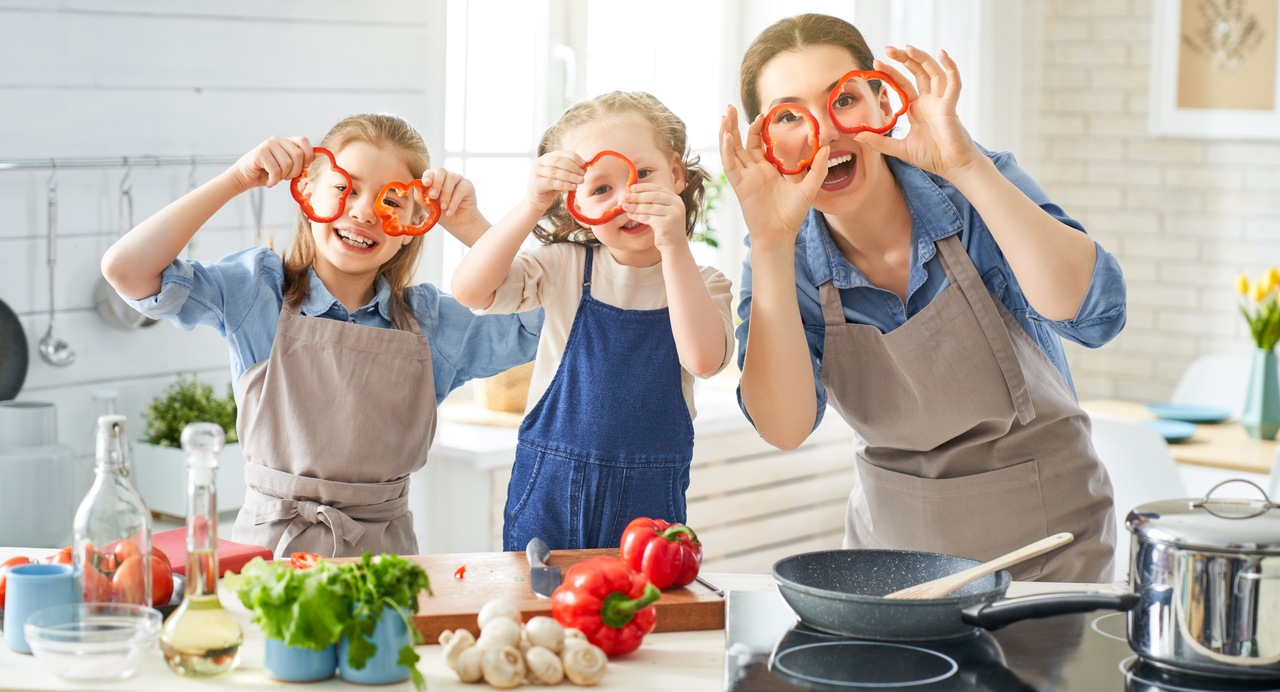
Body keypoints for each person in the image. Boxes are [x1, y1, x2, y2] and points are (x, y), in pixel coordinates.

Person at [720, 14, 1126, 582]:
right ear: (765, 146)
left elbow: (1095, 314)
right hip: (889, 567)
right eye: (789, 115)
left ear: (884, 105)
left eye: (844, 99)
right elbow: (784, 427)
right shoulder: (780, 253)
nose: (826, 131)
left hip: (1049, 553)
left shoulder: (968, 184)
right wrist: (769, 243)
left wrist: (966, 167)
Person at [100, 113, 542, 559]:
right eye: (344, 187)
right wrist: (236, 180)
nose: (364, 211)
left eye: (392, 202)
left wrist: (470, 226)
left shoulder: (432, 323)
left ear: (416, 225)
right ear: (307, 190)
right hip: (266, 562)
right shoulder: (257, 292)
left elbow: (551, 318)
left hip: (384, 566)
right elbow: (127, 270)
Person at [451, 91, 734, 551]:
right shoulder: (562, 267)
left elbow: (703, 359)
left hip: (649, 509)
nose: (626, 197)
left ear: (677, 175)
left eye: (643, 175)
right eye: (602, 188)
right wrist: (530, 205)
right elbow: (470, 289)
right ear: (575, 205)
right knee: (539, 614)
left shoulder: (704, 283)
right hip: (548, 495)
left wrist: (674, 246)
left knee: (638, 617)